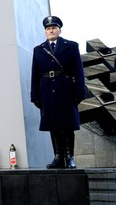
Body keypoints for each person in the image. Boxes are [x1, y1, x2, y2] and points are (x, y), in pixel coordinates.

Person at [31, 16, 86, 169]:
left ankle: (70, 158)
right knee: (53, 125)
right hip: (47, 92)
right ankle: (58, 157)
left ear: (59, 30)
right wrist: (34, 95)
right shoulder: (39, 50)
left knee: (67, 126)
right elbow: (34, 74)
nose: (51, 30)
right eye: (48, 29)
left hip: (66, 91)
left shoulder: (72, 46)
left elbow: (79, 72)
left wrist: (80, 92)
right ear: (45, 32)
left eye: (54, 28)